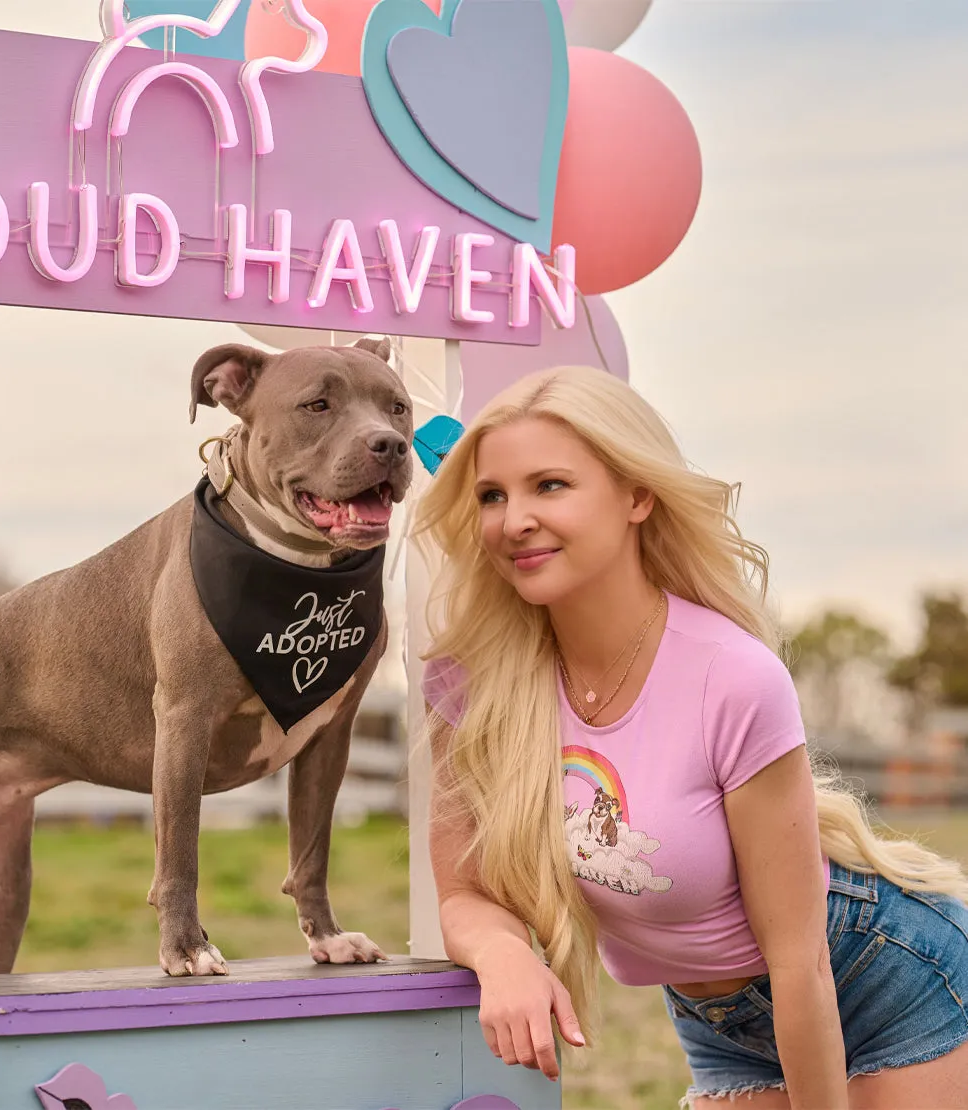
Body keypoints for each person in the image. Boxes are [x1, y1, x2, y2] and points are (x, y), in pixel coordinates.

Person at [413, 366, 968, 1109]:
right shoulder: (469, 684)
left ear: (637, 496)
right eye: (492, 495)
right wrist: (504, 952)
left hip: (882, 978)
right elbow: (461, 895)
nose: (514, 520)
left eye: (550, 486)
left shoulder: (731, 676)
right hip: (718, 1023)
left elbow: (800, 963)